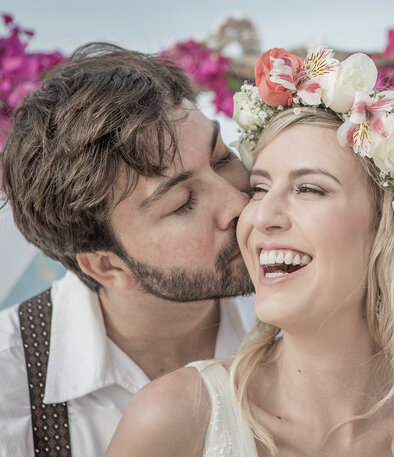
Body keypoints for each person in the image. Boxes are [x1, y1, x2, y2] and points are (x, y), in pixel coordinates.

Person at [105, 47, 394, 457]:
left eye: (309, 188)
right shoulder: (171, 421)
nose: (256, 216)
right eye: (258, 188)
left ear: (391, 228)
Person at [0, 43, 254, 457]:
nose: (238, 204)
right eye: (183, 202)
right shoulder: (9, 389)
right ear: (106, 266)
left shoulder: (297, 315)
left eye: (223, 158)